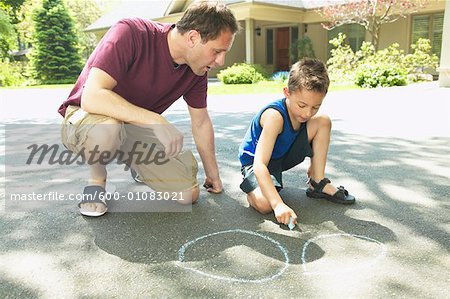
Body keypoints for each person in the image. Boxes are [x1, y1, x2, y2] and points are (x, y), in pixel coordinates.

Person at [58, 1, 239, 216]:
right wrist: (157, 121)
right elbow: (92, 97)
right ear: (193, 38)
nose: (221, 61)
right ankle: (97, 182)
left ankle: (137, 163)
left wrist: (213, 174)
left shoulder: (196, 70)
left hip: (134, 128)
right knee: (108, 128)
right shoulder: (131, 32)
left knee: (187, 195)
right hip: (86, 118)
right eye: (217, 51)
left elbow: (200, 122)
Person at [238, 58, 355, 227]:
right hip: (257, 163)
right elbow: (259, 165)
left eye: (315, 107)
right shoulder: (274, 117)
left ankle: (317, 181)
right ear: (287, 92)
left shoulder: (305, 114)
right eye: (302, 105)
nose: (308, 113)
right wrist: (278, 204)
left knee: (323, 121)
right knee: (265, 204)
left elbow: (313, 118)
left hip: (283, 155)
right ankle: (254, 190)